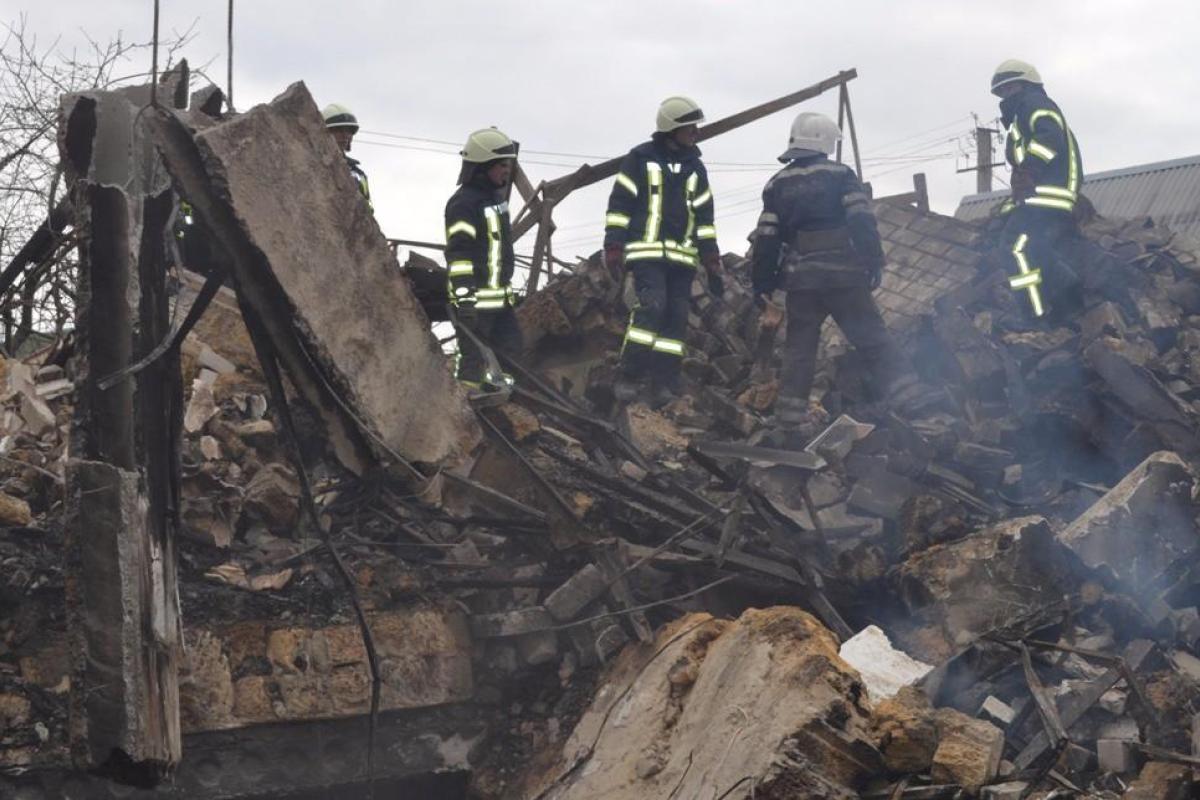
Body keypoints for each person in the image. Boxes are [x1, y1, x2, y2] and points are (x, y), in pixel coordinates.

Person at [750, 112, 910, 439]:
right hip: (845, 276)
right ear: (824, 141)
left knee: (799, 351)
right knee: (873, 340)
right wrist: (873, 261)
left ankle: (788, 423)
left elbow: (767, 239)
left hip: (802, 282)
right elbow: (862, 221)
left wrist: (763, 285)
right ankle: (914, 402)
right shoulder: (840, 175)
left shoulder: (777, 184)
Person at [603, 95, 728, 407]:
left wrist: (711, 256)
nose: (695, 133)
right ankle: (628, 375)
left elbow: (704, 217)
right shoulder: (640, 159)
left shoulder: (695, 168)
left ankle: (664, 383)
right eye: (690, 128)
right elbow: (620, 205)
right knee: (652, 308)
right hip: (647, 256)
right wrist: (614, 244)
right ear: (672, 128)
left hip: (682, 260)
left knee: (676, 319)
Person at [991, 59, 1084, 319]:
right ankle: (1070, 294)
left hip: (1046, 193)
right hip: (1041, 193)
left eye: (1012, 88)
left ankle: (1034, 315)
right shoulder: (1020, 116)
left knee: (1013, 247)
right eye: (1003, 91)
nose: (1007, 95)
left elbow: (1049, 137)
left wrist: (1029, 170)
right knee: (1035, 247)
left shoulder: (1034, 104)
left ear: (1028, 85)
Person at [444, 127, 521, 390]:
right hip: (474, 304)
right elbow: (459, 253)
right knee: (472, 364)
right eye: (501, 165)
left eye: (507, 165)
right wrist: (465, 297)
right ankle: (468, 407)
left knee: (511, 354)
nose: (506, 171)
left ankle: (502, 405)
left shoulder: (495, 200)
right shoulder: (463, 204)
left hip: (500, 301)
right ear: (482, 167)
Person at [321, 103, 372, 209]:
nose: (345, 136)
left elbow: (368, 209)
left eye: (349, 131)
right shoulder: (311, 164)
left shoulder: (358, 175)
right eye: (338, 130)